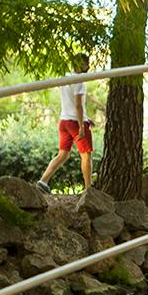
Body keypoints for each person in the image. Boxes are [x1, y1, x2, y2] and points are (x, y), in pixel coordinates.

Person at [37, 53, 93, 192]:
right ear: (83, 65)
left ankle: (43, 181)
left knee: (63, 154)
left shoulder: (64, 78)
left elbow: (70, 102)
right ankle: (88, 189)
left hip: (64, 121)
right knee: (86, 155)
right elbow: (78, 105)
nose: (89, 66)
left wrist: (86, 118)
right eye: (87, 63)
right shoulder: (79, 81)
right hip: (75, 123)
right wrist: (81, 126)